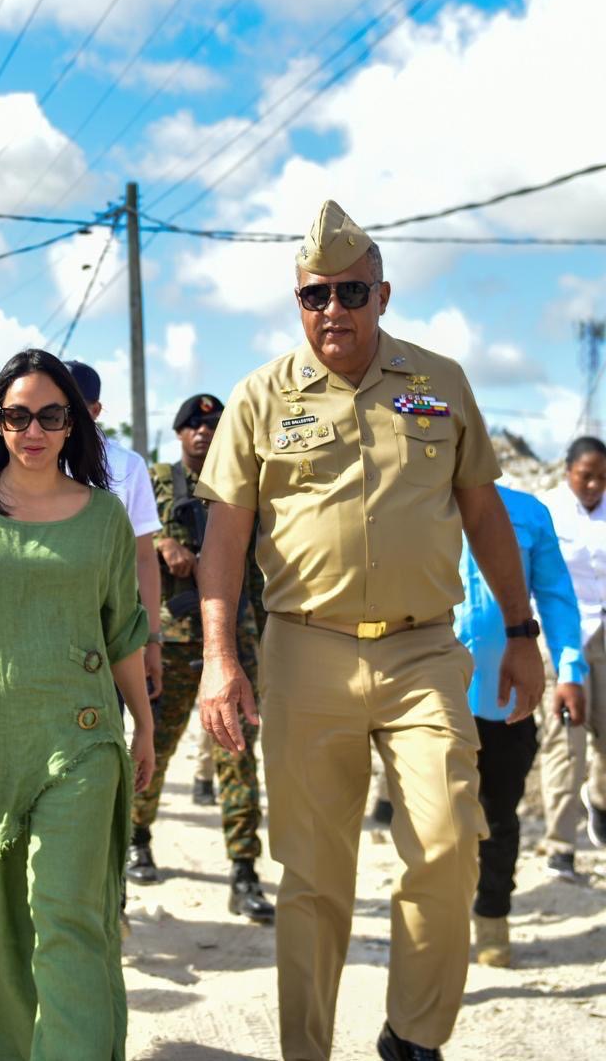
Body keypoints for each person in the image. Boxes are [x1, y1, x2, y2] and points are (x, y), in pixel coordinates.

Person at [193, 200, 544, 1061]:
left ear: (382, 295)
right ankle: (306, 1051)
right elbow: (225, 540)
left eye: (351, 291)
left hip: (424, 648)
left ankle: (413, 1037)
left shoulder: (440, 383)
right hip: (305, 648)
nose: (333, 310)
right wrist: (217, 660)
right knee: (314, 878)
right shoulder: (260, 399)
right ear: (298, 304)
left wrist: (524, 629)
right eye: (316, 296)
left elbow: (484, 513)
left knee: (449, 842)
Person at [0, 348, 154, 1060]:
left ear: (74, 424)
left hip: (81, 738)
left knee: (66, 914)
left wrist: (145, 723)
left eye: (50, 415)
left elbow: (124, 630)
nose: (33, 429)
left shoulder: (104, 516)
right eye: (17, 415)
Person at [126, 393, 274, 925]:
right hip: (172, 641)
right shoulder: (159, 481)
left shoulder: (244, 487)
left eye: (212, 426)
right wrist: (166, 542)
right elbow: (129, 535)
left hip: (233, 644)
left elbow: (261, 564)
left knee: (237, 759)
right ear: (180, 434)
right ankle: (137, 839)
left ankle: (243, 872)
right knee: (155, 751)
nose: (204, 434)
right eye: (193, 426)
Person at [457, 484, 586, 966]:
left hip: (503, 697)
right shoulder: (416, 501)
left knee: (497, 814)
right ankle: (440, 928)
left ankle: (492, 914)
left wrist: (571, 671)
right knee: (435, 817)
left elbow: (555, 596)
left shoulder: (529, 513)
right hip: (430, 696)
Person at [64, 361, 164, 699]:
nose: (61, 412)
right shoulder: (26, 459)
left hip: (108, 636)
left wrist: (152, 640)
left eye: (73, 405)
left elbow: (145, 559)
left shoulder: (125, 466)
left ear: (95, 410)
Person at [540, 436, 606, 873]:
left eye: (603, 477)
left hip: (603, 631)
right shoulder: (545, 510)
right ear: (568, 471)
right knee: (569, 742)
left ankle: (598, 801)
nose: (595, 485)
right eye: (587, 476)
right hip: (563, 638)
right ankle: (560, 845)